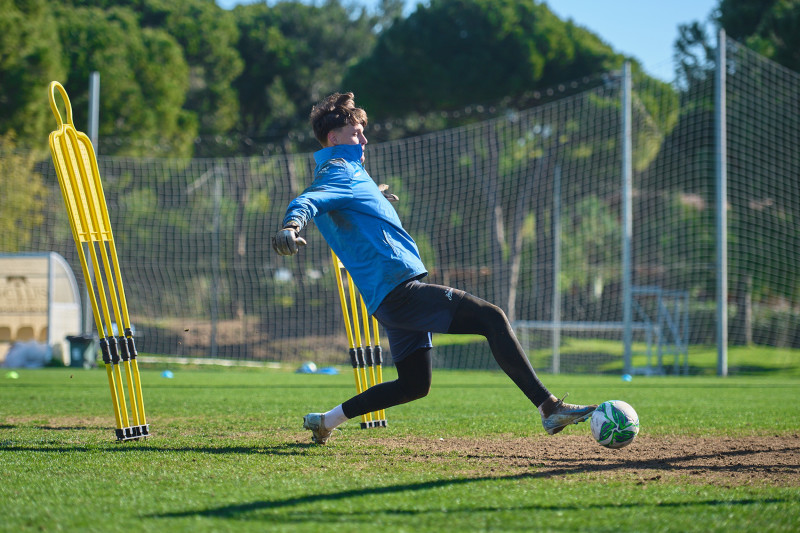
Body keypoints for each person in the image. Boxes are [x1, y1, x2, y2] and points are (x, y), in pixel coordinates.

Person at [273, 92, 596, 444]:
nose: (364, 140)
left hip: (390, 297)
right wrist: (291, 226)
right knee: (492, 317)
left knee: (415, 385)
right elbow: (308, 199)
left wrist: (375, 195)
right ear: (334, 138)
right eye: (356, 133)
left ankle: (325, 421)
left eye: (363, 132)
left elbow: (346, 201)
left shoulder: (350, 173)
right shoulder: (338, 170)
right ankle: (549, 408)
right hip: (399, 292)